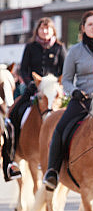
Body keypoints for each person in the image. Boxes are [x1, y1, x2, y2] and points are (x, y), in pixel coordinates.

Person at [42, 11, 93, 191]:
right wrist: (74, 92)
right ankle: (53, 171)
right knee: (60, 128)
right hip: (83, 100)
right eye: (90, 24)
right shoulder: (74, 51)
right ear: (83, 28)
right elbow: (66, 80)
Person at [3, 17, 66, 181]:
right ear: (37, 31)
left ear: (53, 31)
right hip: (34, 89)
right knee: (14, 112)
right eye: (42, 29)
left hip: (54, 91)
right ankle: (11, 158)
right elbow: (24, 69)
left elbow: (64, 71)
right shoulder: (30, 47)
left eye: (48, 29)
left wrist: (59, 85)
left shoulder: (60, 48)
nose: (45, 32)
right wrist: (30, 83)